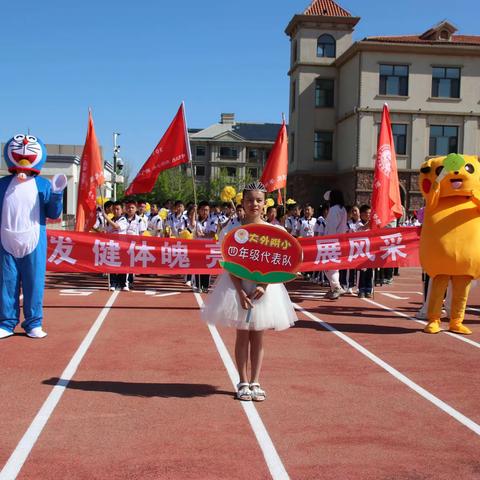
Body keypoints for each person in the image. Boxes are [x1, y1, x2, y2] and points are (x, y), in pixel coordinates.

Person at [201, 181, 297, 401]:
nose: (254, 204)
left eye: (259, 200)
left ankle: (255, 381)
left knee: (258, 335)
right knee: (242, 334)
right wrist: (239, 291)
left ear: (265, 204)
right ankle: (243, 381)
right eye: (250, 200)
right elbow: (227, 262)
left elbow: (280, 263)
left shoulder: (275, 231)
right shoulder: (232, 230)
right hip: (238, 287)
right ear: (242, 202)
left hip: (265, 290)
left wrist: (264, 285)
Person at [324, 190, 348, 299]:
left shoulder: (334, 210)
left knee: (328, 265)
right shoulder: (343, 209)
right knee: (334, 266)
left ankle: (336, 287)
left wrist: (327, 240)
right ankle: (334, 288)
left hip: (332, 241)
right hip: (340, 239)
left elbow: (332, 227)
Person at [357, 205, 373, 298]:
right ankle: (361, 289)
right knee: (362, 272)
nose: (368, 215)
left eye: (370, 213)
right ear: (362, 214)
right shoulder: (358, 224)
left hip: (370, 251)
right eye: (367, 213)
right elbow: (357, 233)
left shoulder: (373, 225)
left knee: (370, 271)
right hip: (361, 251)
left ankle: (368, 289)